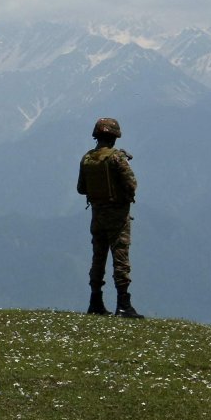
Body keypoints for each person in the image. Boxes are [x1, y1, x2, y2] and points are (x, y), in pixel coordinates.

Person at [77, 117, 142, 318]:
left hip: (97, 216)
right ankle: (123, 305)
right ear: (114, 137)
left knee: (98, 257)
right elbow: (132, 185)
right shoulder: (116, 159)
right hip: (117, 216)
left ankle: (95, 301)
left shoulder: (87, 158)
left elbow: (81, 189)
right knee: (120, 258)